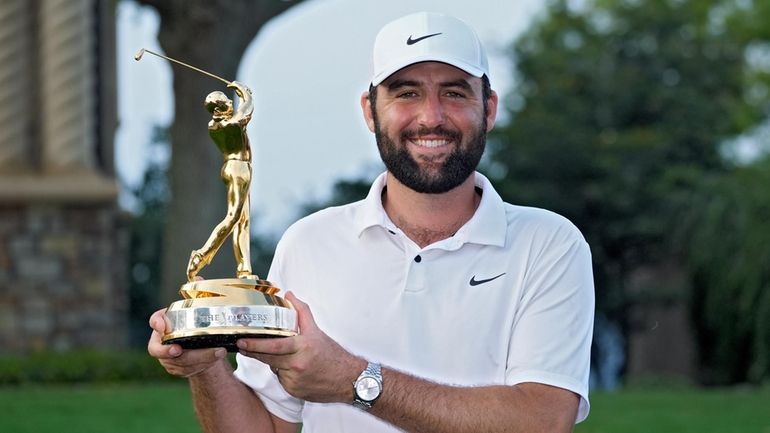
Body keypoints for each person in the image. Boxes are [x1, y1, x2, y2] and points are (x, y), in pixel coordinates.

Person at [148, 11, 595, 433]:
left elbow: (543, 419)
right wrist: (207, 368)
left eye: (455, 93)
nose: (432, 117)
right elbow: (265, 426)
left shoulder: (549, 244)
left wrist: (354, 381)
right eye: (406, 93)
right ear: (369, 110)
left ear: (489, 108)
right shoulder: (309, 242)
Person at [186, 81, 255, 281]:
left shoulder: (213, 125)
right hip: (239, 169)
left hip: (235, 168)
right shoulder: (230, 124)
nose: (229, 103)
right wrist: (244, 93)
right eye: (225, 101)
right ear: (217, 109)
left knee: (243, 221)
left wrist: (242, 95)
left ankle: (244, 269)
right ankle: (201, 256)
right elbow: (247, 110)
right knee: (233, 218)